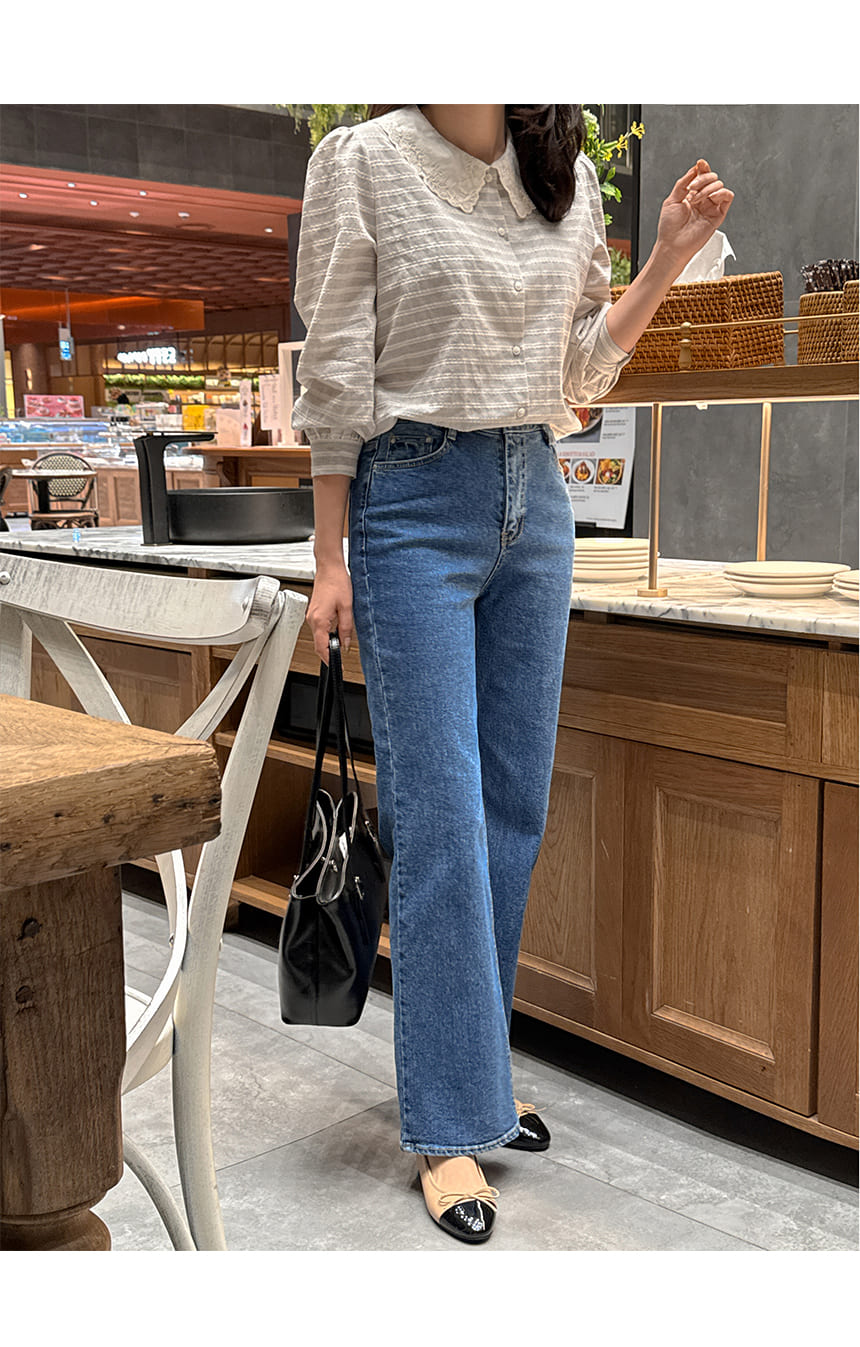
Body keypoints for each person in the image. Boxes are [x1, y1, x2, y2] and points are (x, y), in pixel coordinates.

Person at [292, 104, 733, 1244]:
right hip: (409, 502)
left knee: (509, 815)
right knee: (441, 819)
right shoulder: (363, 162)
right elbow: (335, 366)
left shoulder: (562, 177)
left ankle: (470, 1075)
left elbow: (579, 369)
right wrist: (329, 555)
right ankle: (447, 1121)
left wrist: (667, 258)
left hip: (536, 502)